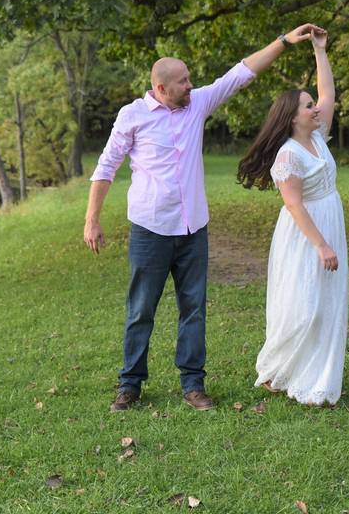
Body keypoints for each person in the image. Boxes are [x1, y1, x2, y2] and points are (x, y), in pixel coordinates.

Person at [85, 24, 321, 412]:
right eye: (183, 82)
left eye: (191, 79)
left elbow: (240, 74)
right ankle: (130, 385)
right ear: (161, 89)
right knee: (141, 308)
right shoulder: (132, 116)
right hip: (150, 229)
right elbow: (106, 166)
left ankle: (193, 385)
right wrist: (92, 218)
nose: (191, 85)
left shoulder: (197, 105)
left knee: (193, 307)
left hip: (193, 228)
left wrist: (282, 42)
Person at [236, 27, 348, 406]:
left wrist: (320, 51)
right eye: (306, 106)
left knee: (327, 302)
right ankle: (278, 370)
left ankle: (318, 375)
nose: (315, 107)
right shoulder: (288, 155)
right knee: (304, 303)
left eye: (311, 104)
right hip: (305, 233)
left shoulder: (317, 137)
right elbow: (294, 205)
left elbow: (329, 93)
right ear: (291, 117)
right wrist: (321, 245)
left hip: (330, 219)